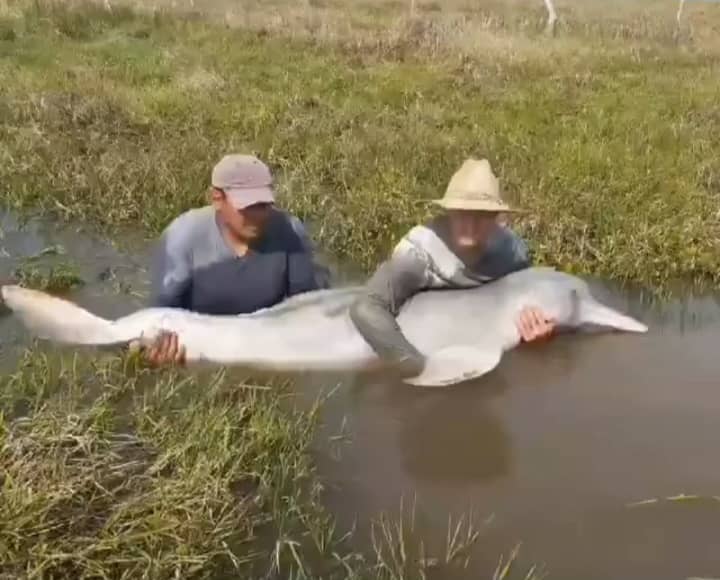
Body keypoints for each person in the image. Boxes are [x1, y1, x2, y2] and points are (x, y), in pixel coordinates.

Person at [348, 157, 556, 381]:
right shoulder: (419, 254)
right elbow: (366, 308)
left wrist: (538, 330)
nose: (471, 223)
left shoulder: (511, 252)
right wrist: (416, 367)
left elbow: (526, 296)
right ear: (449, 212)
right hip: (421, 330)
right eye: (462, 212)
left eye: (482, 214)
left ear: (497, 218)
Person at [141, 153, 330, 366]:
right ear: (217, 199)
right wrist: (160, 350)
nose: (258, 215)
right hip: (200, 345)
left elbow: (311, 308)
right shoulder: (183, 237)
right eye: (247, 206)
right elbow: (160, 314)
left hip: (266, 343)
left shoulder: (290, 231)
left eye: (263, 205)